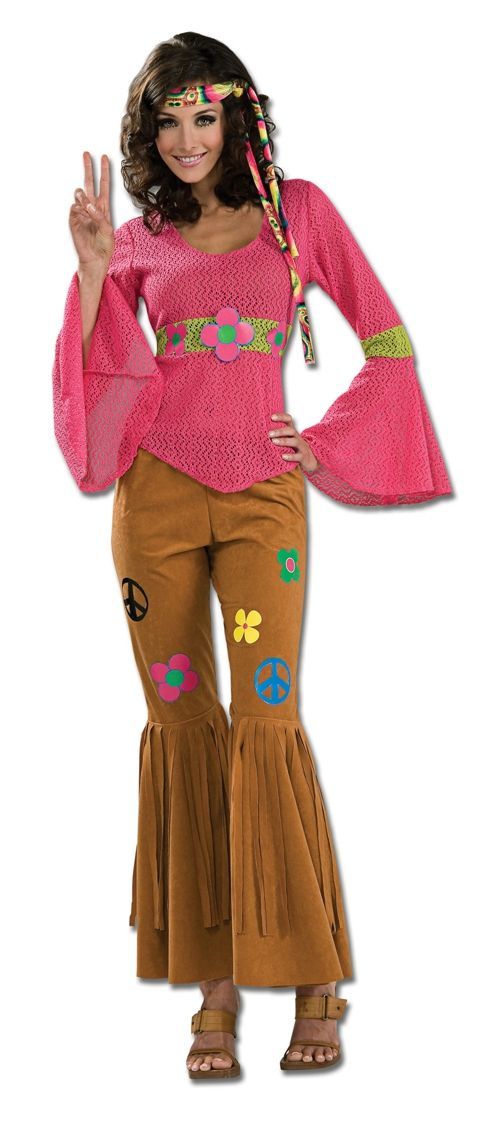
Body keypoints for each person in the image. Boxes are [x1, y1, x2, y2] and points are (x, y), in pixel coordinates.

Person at [52, 31, 453, 1080]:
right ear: (148, 132)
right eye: (167, 121)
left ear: (236, 116)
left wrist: (322, 442)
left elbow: (386, 339)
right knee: (182, 724)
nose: (186, 138)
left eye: (203, 114)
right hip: (154, 504)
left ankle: (314, 977)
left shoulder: (297, 214)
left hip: (263, 503)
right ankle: (214, 988)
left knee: (266, 720)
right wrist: (92, 274)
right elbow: (97, 396)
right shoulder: (135, 239)